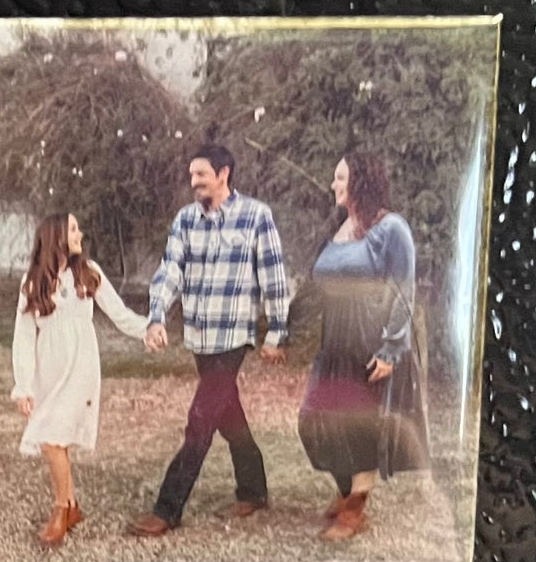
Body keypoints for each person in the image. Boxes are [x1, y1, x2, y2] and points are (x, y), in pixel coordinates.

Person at [130, 144, 292, 538]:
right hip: (200, 336)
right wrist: (155, 317)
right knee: (227, 414)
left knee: (200, 422)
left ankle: (167, 509)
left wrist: (277, 331)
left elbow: (273, 276)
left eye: (201, 174)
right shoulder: (186, 220)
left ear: (223, 173)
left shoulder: (256, 216)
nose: (194, 182)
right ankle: (254, 490)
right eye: (191, 175)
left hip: (233, 335)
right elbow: (171, 270)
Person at [296, 152, 429, 541]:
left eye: (341, 177)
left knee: (358, 427)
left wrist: (390, 350)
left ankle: (356, 507)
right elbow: (317, 285)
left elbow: (404, 290)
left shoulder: (392, 229)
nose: (333, 184)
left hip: (370, 341)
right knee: (315, 422)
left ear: (362, 182)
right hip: (333, 341)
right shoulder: (339, 228)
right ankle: (344, 490)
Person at [8, 212, 150, 545]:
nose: (80, 234)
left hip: (81, 368)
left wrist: (148, 331)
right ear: (56, 236)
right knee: (54, 436)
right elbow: (24, 338)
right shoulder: (33, 282)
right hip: (49, 371)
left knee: (51, 438)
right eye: (73, 229)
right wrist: (24, 386)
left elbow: (119, 313)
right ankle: (71, 506)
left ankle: (61, 509)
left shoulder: (89, 273)